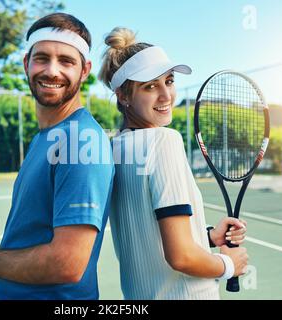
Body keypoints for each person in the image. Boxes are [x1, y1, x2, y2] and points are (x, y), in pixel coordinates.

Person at [0, 13, 115, 300]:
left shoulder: (80, 140)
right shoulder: (46, 137)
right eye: (42, 58)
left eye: (66, 61)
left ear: (85, 70)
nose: (52, 71)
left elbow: (67, 263)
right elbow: (28, 237)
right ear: (27, 63)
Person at [98, 27, 248, 300]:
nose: (166, 96)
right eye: (150, 86)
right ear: (123, 95)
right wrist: (229, 265)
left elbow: (145, 232)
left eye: (168, 81)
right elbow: (181, 257)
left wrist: (208, 236)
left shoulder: (115, 147)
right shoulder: (164, 141)